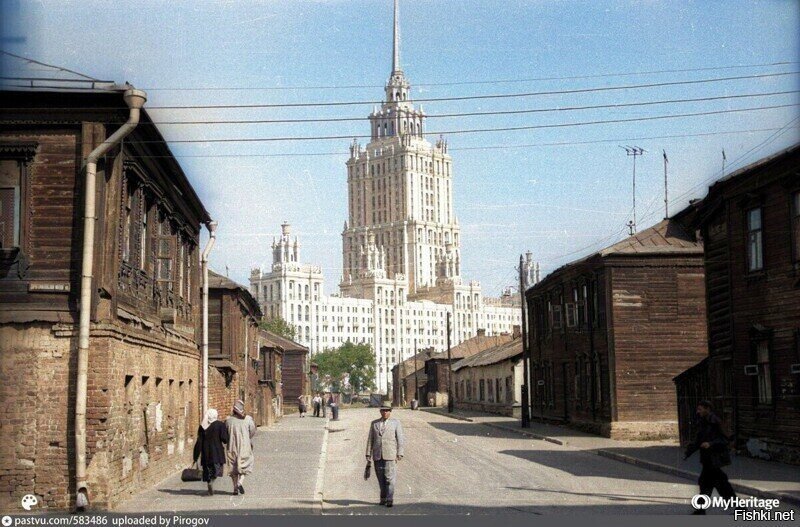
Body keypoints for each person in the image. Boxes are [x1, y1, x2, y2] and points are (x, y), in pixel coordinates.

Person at [684, 400, 736, 514]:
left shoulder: (716, 422)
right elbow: (698, 440)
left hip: (715, 458)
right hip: (708, 459)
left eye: (700, 409)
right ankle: (701, 509)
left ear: (707, 409)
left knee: (714, 484)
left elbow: (727, 439)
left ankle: (701, 509)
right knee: (709, 484)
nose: (698, 412)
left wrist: (711, 444)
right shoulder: (703, 422)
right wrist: (689, 451)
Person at [365, 404, 405, 507]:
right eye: (383, 411)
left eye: (387, 410)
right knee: (380, 478)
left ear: (390, 412)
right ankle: (383, 498)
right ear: (380, 412)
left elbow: (400, 439)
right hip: (377, 455)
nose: (385, 412)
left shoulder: (396, 423)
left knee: (389, 479)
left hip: (390, 455)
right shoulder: (374, 423)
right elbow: (370, 439)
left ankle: (389, 499)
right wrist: (368, 453)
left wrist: (400, 453)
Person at [193, 408, 229, 496]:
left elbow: (199, 441)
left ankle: (209, 483)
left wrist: (196, 455)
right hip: (217, 452)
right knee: (216, 469)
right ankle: (212, 481)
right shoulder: (220, 425)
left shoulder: (202, 426)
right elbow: (225, 439)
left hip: (205, 452)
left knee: (207, 469)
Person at [225, 400, 257, 496]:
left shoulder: (228, 420)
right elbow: (252, 431)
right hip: (245, 446)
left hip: (232, 446)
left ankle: (235, 487)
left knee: (233, 467)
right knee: (245, 465)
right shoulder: (248, 419)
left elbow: (226, 433)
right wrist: (247, 437)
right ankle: (240, 483)